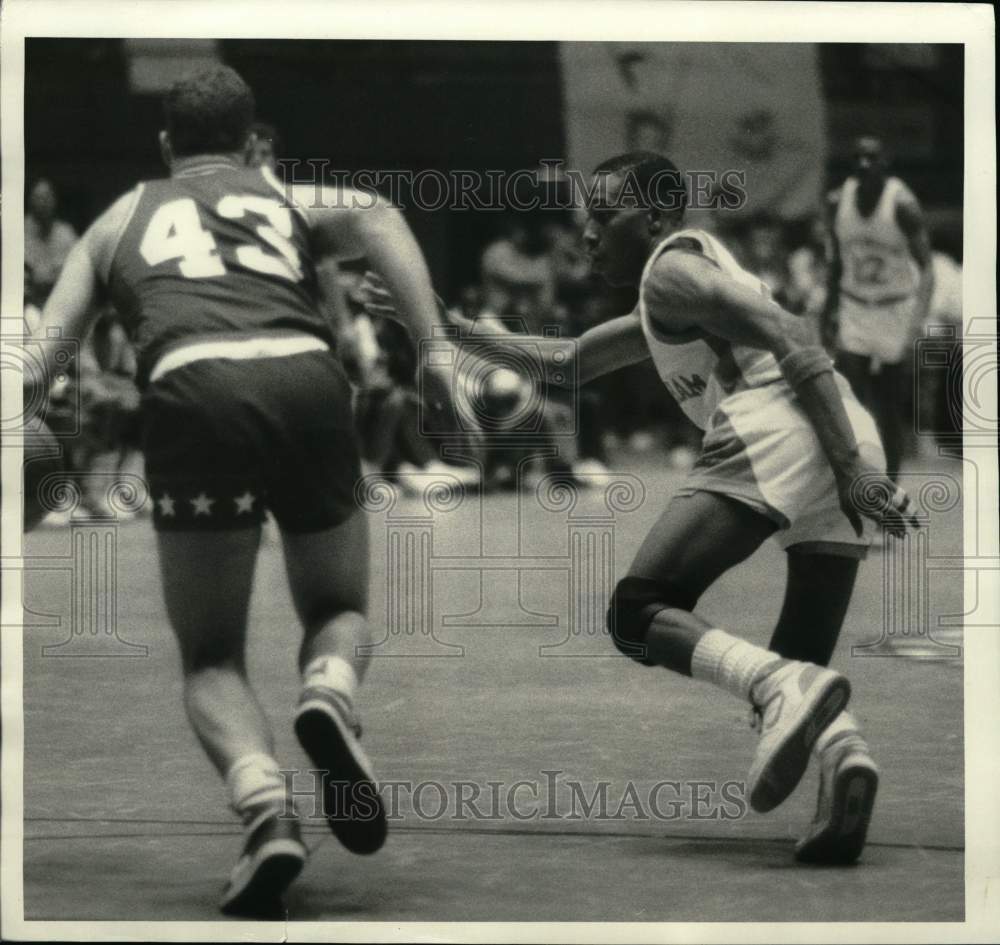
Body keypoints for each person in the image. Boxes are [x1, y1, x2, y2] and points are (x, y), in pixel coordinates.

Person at [361, 150, 919, 864]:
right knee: (794, 675)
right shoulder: (668, 296)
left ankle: (796, 697)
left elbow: (794, 333)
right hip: (840, 424)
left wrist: (848, 469)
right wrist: (447, 324)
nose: (588, 233)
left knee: (639, 610)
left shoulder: (672, 269)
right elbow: (563, 362)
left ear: (654, 217)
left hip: (787, 426)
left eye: (604, 215)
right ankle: (845, 758)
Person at [30, 65, 457, 915]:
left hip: (193, 394)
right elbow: (378, 214)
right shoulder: (281, 195)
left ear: (164, 146)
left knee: (212, 654)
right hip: (303, 378)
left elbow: (39, 362)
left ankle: (265, 807)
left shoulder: (119, 219)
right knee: (337, 603)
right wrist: (436, 346)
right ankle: (330, 687)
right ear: (247, 138)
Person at [821, 135, 934, 481]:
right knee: (849, 395)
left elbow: (927, 269)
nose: (864, 165)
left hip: (894, 309)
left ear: (885, 163)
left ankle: (891, 484)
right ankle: (854, 480)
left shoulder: (902, 206)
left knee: (887, 405)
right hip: (855, 306)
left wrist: (915, 323)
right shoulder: (837, 201)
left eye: (872, 158)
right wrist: (829, 309)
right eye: (858, 158)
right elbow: (836, 261)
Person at [25, 177, 79, 305]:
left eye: (47, 196)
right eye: (38, 197)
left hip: (61, 302)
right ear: (30, 200)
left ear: (55, 200)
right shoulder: (17, 232)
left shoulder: (67, 233)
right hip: (27, 304)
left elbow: (79, 273)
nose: (43, 202)